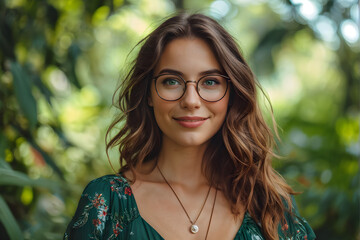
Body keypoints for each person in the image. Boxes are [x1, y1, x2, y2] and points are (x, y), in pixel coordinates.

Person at [64, 13, 316, 240]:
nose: (191, 101)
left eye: (210, 82)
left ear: (232, 95)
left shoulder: (269, 205)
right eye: (171, 81)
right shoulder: (106, 202)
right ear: (149, 94)